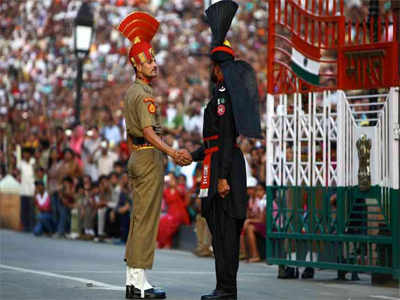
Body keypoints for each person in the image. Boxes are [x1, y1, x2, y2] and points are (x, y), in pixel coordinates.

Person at [187, 2, 262, 299]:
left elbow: (227, 138)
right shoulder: (221, 95)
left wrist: (222, 178)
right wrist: (190, 157)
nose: (213, 72)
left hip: (224, 167)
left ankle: (227, 288)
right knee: (219, 231)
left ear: (219, 69)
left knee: (227, 233)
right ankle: (223, 286)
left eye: (214, 67)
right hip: (216, 162)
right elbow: (212, 141)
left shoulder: (222, 97)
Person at [116, 11, 191, 299]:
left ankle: (133, 279)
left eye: (154, 58)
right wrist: (172, 152)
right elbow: (149, 132)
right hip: (148, 158)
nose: (154, 63)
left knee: (139, 219)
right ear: (137, 65)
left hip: (137, 156)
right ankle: (139, 283)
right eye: (148, 60)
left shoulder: (131, 91)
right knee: (146, 221)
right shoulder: (144, 94)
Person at [157, 173, 190, 248]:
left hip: (180, 212)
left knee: (167, 221)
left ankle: (166, 243)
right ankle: (165, 243)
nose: (170, 181)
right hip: (170, 212)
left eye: (172, 179)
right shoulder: (166, 190)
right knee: (162, 221)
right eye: (169, 179)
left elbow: (182, 192)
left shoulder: (180, 187)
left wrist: (175, 186)